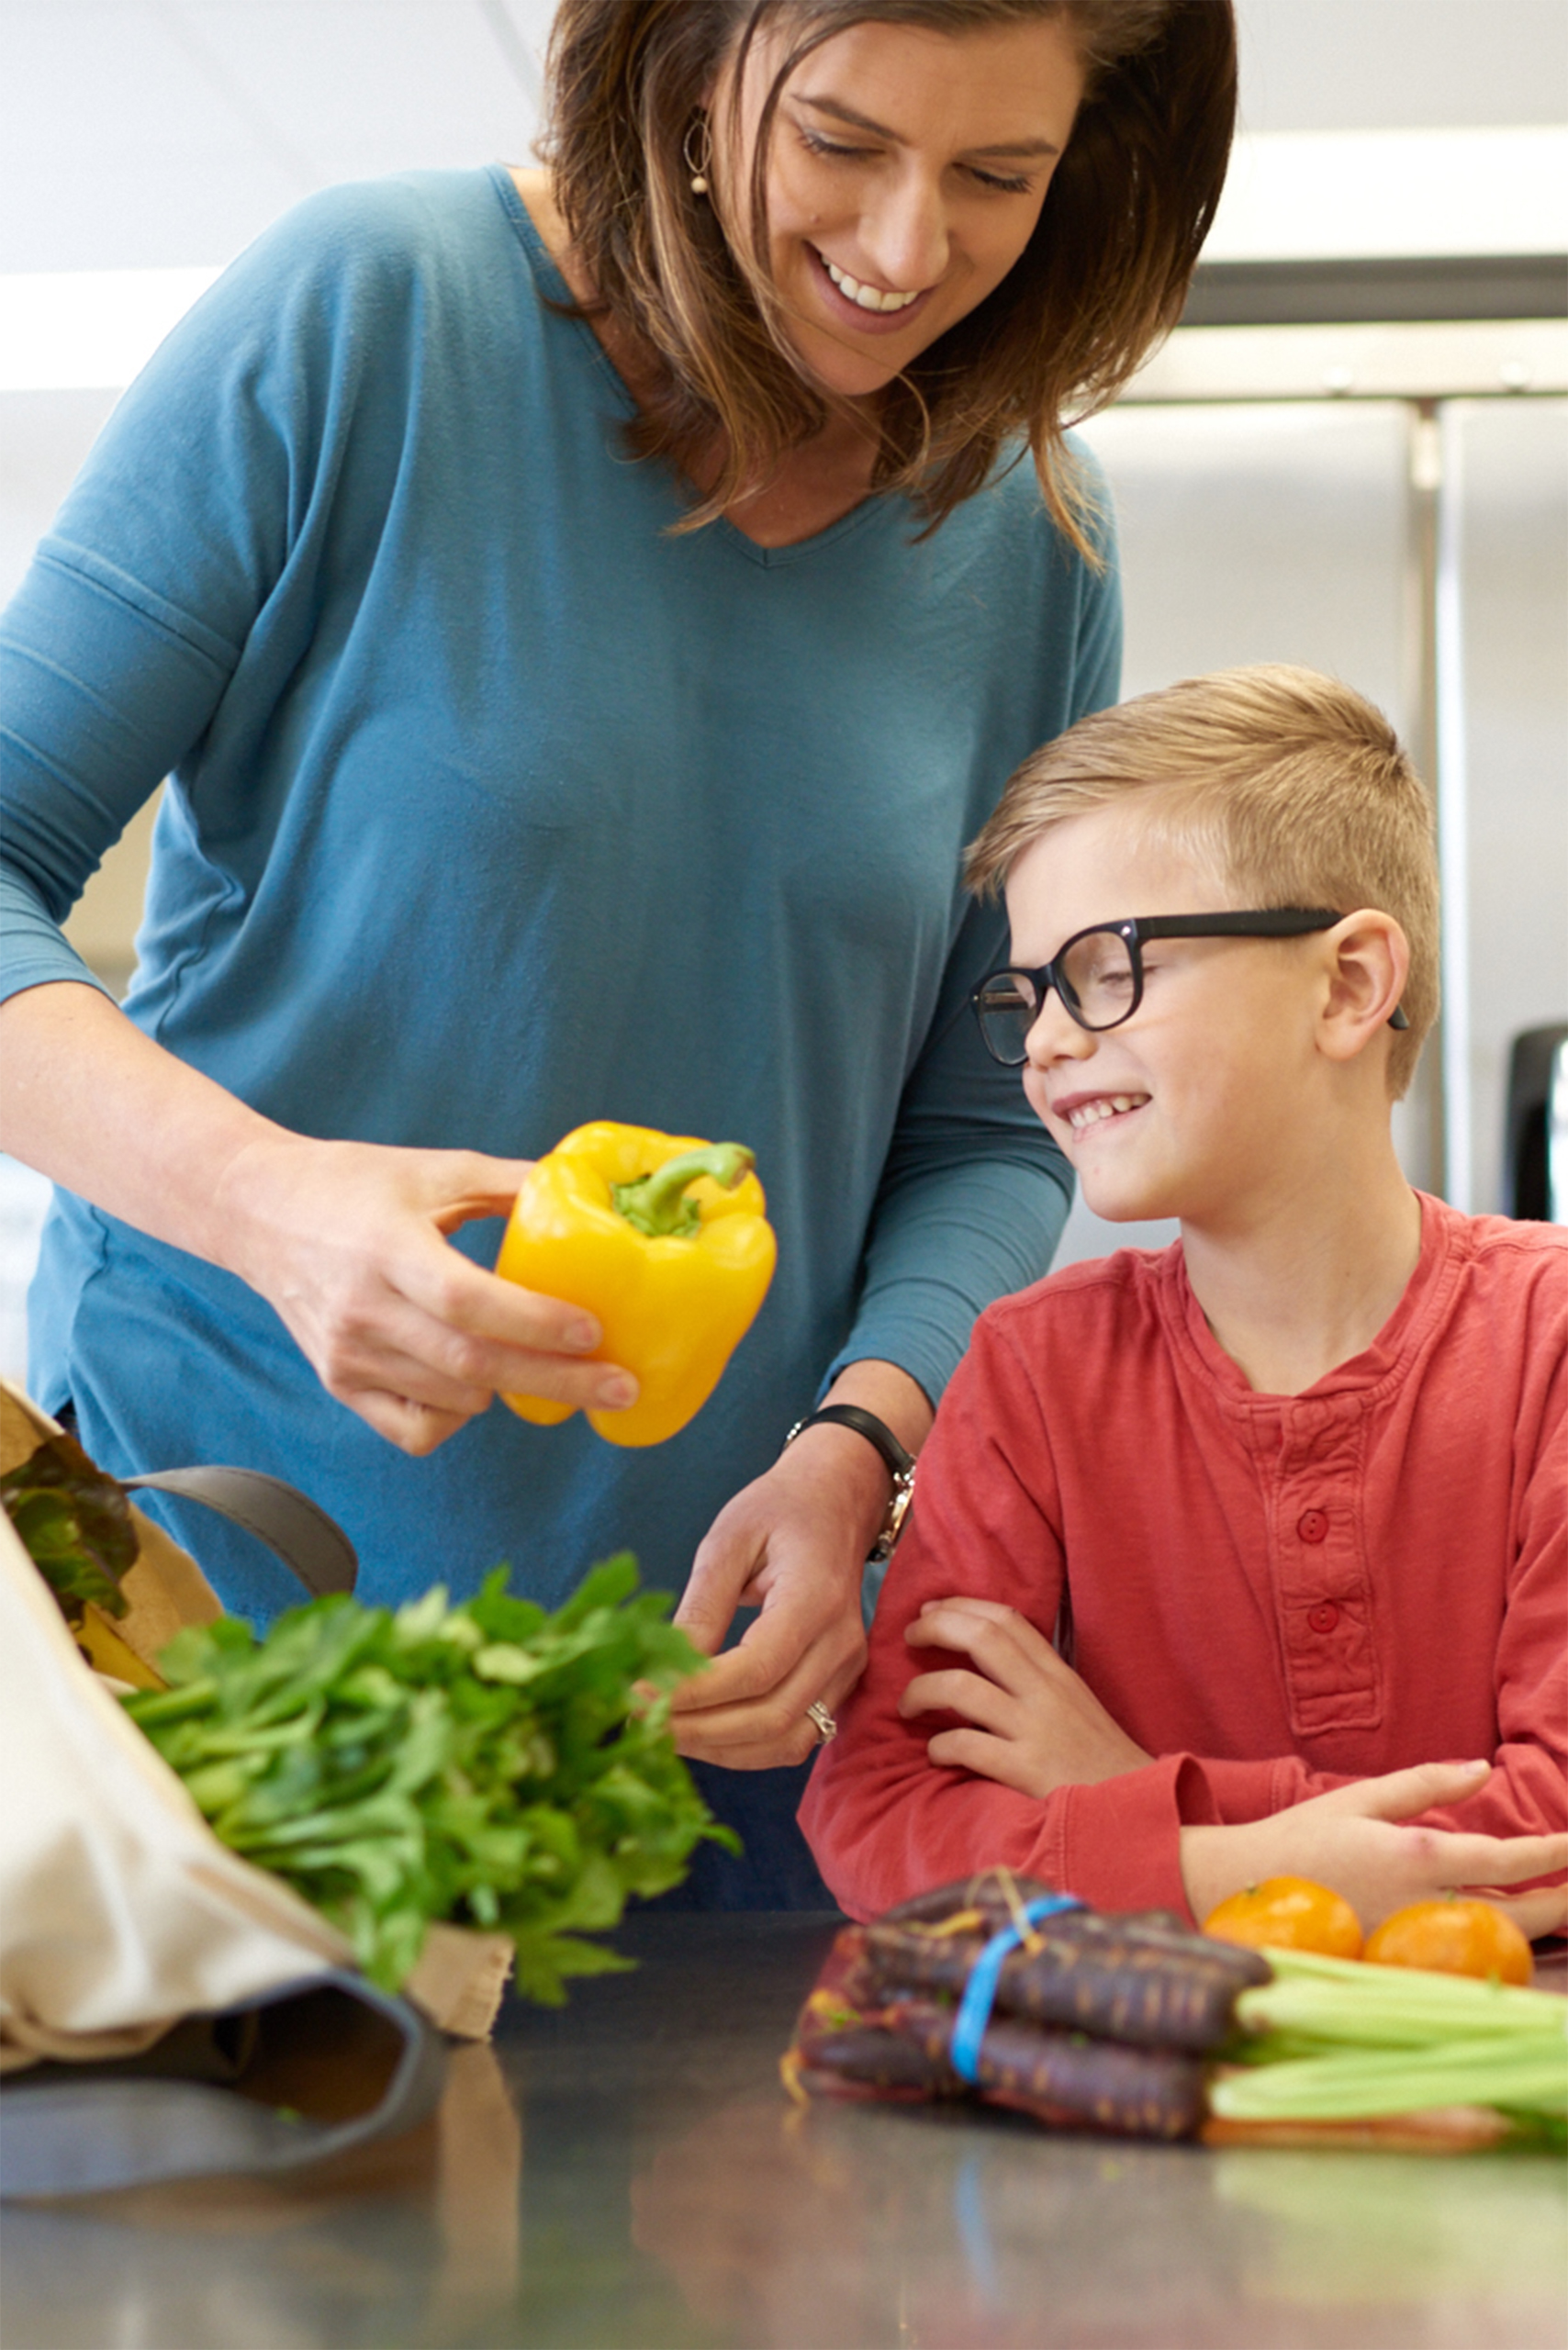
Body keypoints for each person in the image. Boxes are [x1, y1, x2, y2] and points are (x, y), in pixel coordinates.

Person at [0, 0, 1236, 1903]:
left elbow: (986, 1125)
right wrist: (270, 1209)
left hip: (712, 1686)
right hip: (228, 1641)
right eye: (837, 140)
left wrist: (859, 1444)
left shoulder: (1029, 535)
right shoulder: (377, 313)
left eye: (996, 176)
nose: (906, 248)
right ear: (679, 61)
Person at [801, 666, 1568, 1934]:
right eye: (1030, 990)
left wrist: (1143, 1799)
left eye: (1107, 968)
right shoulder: (1032, 1371)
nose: (1045, 1041)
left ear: (1345, 986)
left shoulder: (1547, 1340)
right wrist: (1243, 1862)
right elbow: (881, 1816)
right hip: (1122, 2120)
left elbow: (1552, 1830)